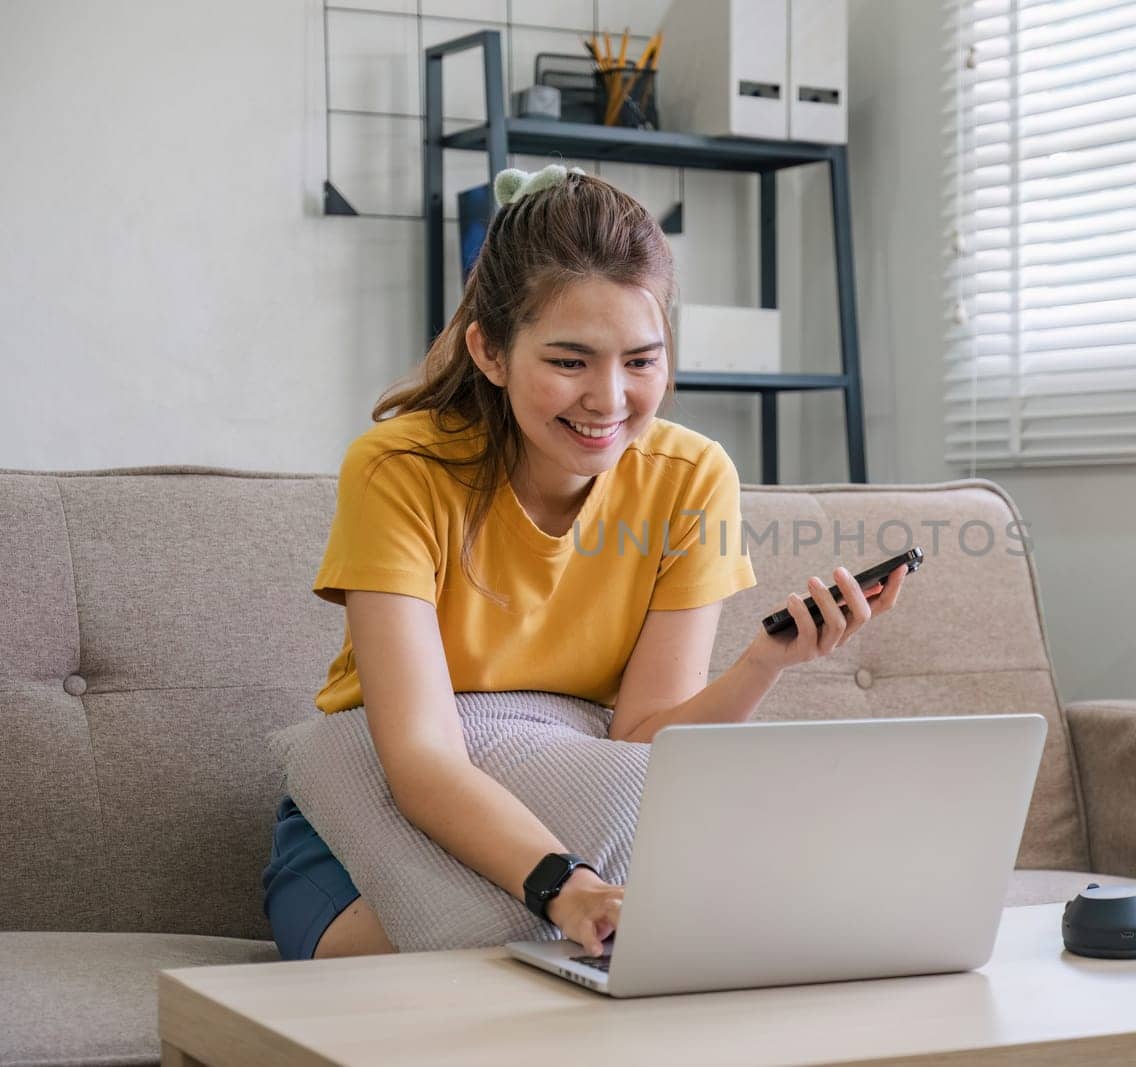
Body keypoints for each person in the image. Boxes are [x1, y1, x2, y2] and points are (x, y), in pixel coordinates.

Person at [260, 164, 908, 962]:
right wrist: (565, 885)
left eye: (642, 360)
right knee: (528, 944)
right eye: (570, 361)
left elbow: (639, 738)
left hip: (572, 794)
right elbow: (422, 757)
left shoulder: (692, 478)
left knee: (648, 910)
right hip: (376, 818)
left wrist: (763, 662)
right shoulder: (400, 469)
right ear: (490, 350)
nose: (610, 399)